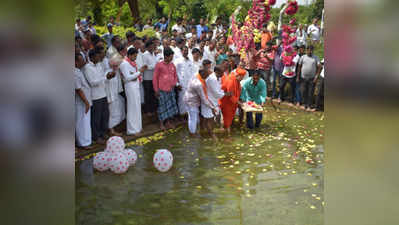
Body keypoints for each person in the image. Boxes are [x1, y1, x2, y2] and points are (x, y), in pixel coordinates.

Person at [83, 49, 115, 144]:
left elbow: (102, 77)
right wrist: (106, 77)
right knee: (96, 117)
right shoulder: (87, 68)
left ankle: (103, 133)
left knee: (104, 115)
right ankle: (96, 136)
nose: (99, 57)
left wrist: (108, 75)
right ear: (91, 57)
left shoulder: (99, 65)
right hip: (95, 96)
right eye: (97, 56)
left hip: (103, 93)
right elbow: (92, 82)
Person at [119, 48, 147, 136]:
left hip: (135, 86)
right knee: (132, 108)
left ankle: (138, 128)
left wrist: (137, 73)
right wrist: (140, 72)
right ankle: (132, 130)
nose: (135, 57)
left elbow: (133, 75)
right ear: (130, 55)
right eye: (134, 56)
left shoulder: (132, 63)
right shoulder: (124, 64)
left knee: (137, 107)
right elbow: (127, 78)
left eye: (136, 56)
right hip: (130, 87)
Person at [184, 67, 217, 138]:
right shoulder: (198, 84)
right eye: (206, 75)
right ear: (202, 74)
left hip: (189, 98)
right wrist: (212, 107)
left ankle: (194, 131)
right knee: (193, 118)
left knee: (193, 118)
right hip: (191, 101)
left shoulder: (196, 75)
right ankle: (192, 134)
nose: (207, 77)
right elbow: (204, 99)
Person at [153, 47, 179, 130]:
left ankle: (168, 123)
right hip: (162, 90)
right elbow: (155, 78)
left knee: (170, 107)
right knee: (162, 107)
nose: (172, 58)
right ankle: (161, 124)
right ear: (166, 56)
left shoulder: (172, 65)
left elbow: (175, 75)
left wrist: (174, 83)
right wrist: (156, 90)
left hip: (171, 89)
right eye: (171, 56)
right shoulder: (159, 65)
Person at [203, 65, 229, 134]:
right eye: (222, 72)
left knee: (213, 116)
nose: (223, 74)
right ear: (217, 72)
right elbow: (216, 93)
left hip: (214, 100)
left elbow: (219, 88)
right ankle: (210, 134)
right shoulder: (212, 79)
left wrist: (223, 93)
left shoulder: (218, 77)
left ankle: (209, 131)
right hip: (209, 100)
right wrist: (226, 94)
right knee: (209, 118)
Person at [220, 68, 246, 135]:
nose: (242, 79)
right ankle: (228, 135)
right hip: (226, 102)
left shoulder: (236, 80)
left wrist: (239, 101)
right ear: (238, 75)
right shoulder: (231, 80)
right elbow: (230, 95)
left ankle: (225, 131)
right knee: (227, 118)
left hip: (232, 102)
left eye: (243, 77)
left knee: (228, 118)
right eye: (241, 77)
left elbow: (238, 91)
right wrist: (239, 103)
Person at [75, 53, 92, 149]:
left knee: (85, 122)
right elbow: (78, 89)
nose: (83, 61)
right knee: (81, 122)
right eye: (81, 60)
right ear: (75, 62)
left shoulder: (79, 70)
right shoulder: (74, 72)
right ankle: (83, 143)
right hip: (81, 102)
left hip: (85, 100)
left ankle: (86, 141)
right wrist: (86, 102)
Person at [297, 45, 321, 111]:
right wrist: (298, 76)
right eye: (308, 50)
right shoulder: (303, 57)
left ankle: (309, 106)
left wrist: (316, 76)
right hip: (303, 78)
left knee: (310, 92)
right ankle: (304, 104)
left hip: (312, 78)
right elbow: (299, 66)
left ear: (313, 51)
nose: (310, 51)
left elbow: (319, 67)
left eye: (311, 50)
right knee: (303, 91)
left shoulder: (316, 58)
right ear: (306, 50)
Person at [175, 46, 195, 116]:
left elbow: (193, 73)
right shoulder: (178, 61)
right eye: (184, 50)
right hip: (181, 84)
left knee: (189, 99)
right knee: (182, 100)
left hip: (190, 84)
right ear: (181, 51)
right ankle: (181, 116)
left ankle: (188, 115)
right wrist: (177, 84)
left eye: (187, 51)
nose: (186, 52)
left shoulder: (190, 60)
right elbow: (174, 73)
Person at [142, 40, 159, 116]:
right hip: (147, 78)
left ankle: (153, 109)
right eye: (151, 46)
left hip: (153, 77)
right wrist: (154, 67)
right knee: (148, 95)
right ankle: (148, 110)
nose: (153, 47)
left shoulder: (153, 54)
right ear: (148, 46)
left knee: (153, 94)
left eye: (153, 45)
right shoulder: (145, 55)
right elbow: (145, 66)